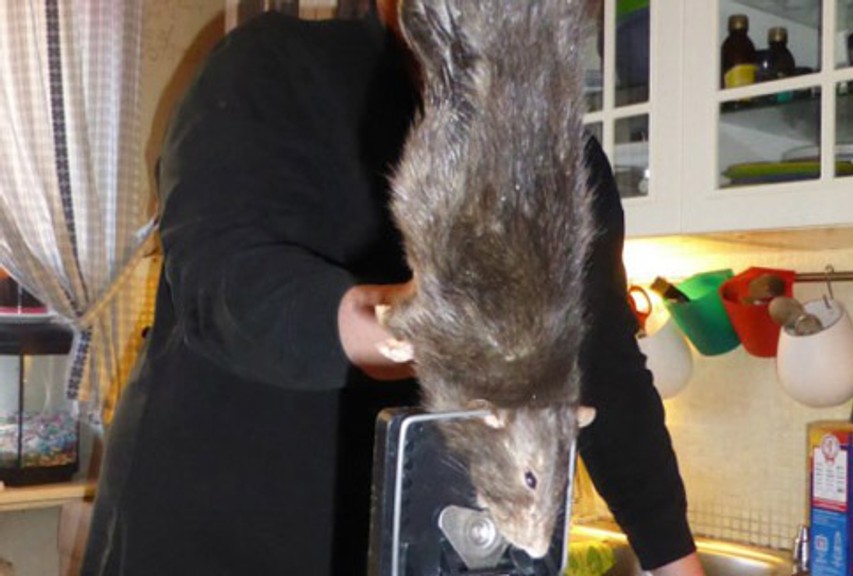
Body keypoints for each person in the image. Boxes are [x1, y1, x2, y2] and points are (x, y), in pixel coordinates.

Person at [81, 1, 704, 574]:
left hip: (399, 546)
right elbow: (224, 283)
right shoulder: (271, 65)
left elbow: (607, 375)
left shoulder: (560, 163)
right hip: (209, 537)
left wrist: (675, 563)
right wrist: (419, 329)